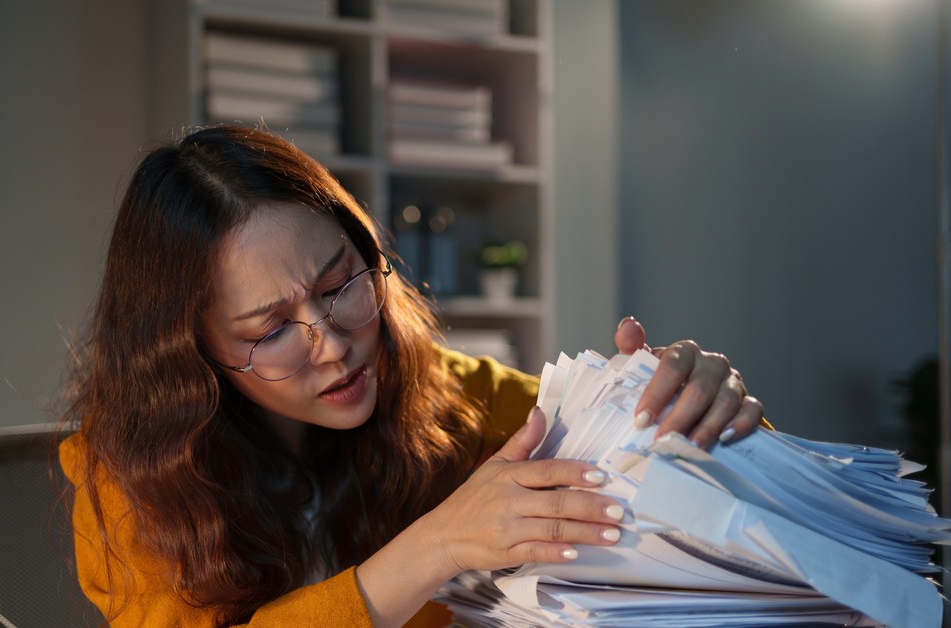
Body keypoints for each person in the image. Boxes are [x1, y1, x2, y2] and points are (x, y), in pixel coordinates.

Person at [57, 124, 764, 627]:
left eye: (340, 286)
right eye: (270, 331)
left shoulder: (454, 397)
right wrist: (439, 543)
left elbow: (723, 497)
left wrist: (706, 409)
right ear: (192, 356)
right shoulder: (131, 472)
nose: (333, 347)